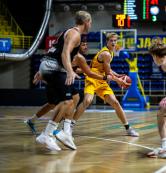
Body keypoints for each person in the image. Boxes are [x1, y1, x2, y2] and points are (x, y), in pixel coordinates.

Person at [35, 11, 111, 151]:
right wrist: (70, 71)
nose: (91, 25)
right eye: (91, 23)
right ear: (86, 22)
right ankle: (46, 134)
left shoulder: (74, 34)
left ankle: (65, 132)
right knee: (66, 101)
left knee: (75, 97)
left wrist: (42, 71)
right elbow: (64, 53)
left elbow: (60, 53)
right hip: (53, 68)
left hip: (51, 66)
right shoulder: (75, 33)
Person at [24, 37, 98, 135]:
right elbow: (79, 70)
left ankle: (32, 121)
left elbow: (72, 68)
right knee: (71, 99)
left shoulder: (71, 54)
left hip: (52, 74)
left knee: (52, 104)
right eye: (83, 45)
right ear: (77, 45)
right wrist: (104, 77)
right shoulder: (76, 56)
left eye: (86, 45)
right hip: (56, 77)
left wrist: (41, 72)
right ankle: (57, 128)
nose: (86, 47)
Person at [70, 32, 139, 137]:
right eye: (111, 41)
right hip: (93, 78)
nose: (113, 42)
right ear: (107, 42)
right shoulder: (106, 53)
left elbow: (108, 69)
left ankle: (128, 128)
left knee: (115, 102)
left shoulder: (110, 53)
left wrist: (117, 75)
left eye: (115, 41)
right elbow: (107, 73)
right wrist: (118, 80)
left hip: (101, 80)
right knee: (87, 100)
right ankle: (70, 126)